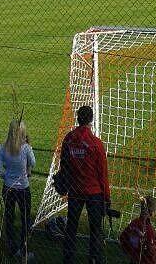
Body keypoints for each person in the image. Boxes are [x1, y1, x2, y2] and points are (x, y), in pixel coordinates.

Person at [60, 105, 110, 264]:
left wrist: (65, 184)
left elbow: (64, 165)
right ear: (91, 119)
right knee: (95, 229)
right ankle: (94, 259)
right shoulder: (96, 143)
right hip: (93, 192)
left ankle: (68, 259)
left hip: (75, 190)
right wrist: (106, 197)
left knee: (71, 227)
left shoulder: (68, 139)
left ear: (78, 118)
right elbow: (103, 173)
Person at [0, 119, 36, 258]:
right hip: (23, 189)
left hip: (8, 188)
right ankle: (23, 250)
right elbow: (33, 163)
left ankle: (12, 248)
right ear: (22, 132)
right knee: (25, 219)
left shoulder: (2, 148)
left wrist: (9, 175)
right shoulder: (26, 148)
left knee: (9, 218)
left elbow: (0, 171)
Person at [119, 195, 156, 264]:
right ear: (152, 212)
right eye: (155, 211)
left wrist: (130, 251)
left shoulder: (134, 223)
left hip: (134, 259)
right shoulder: (148, 229)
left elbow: (122, 237)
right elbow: (152, 251)